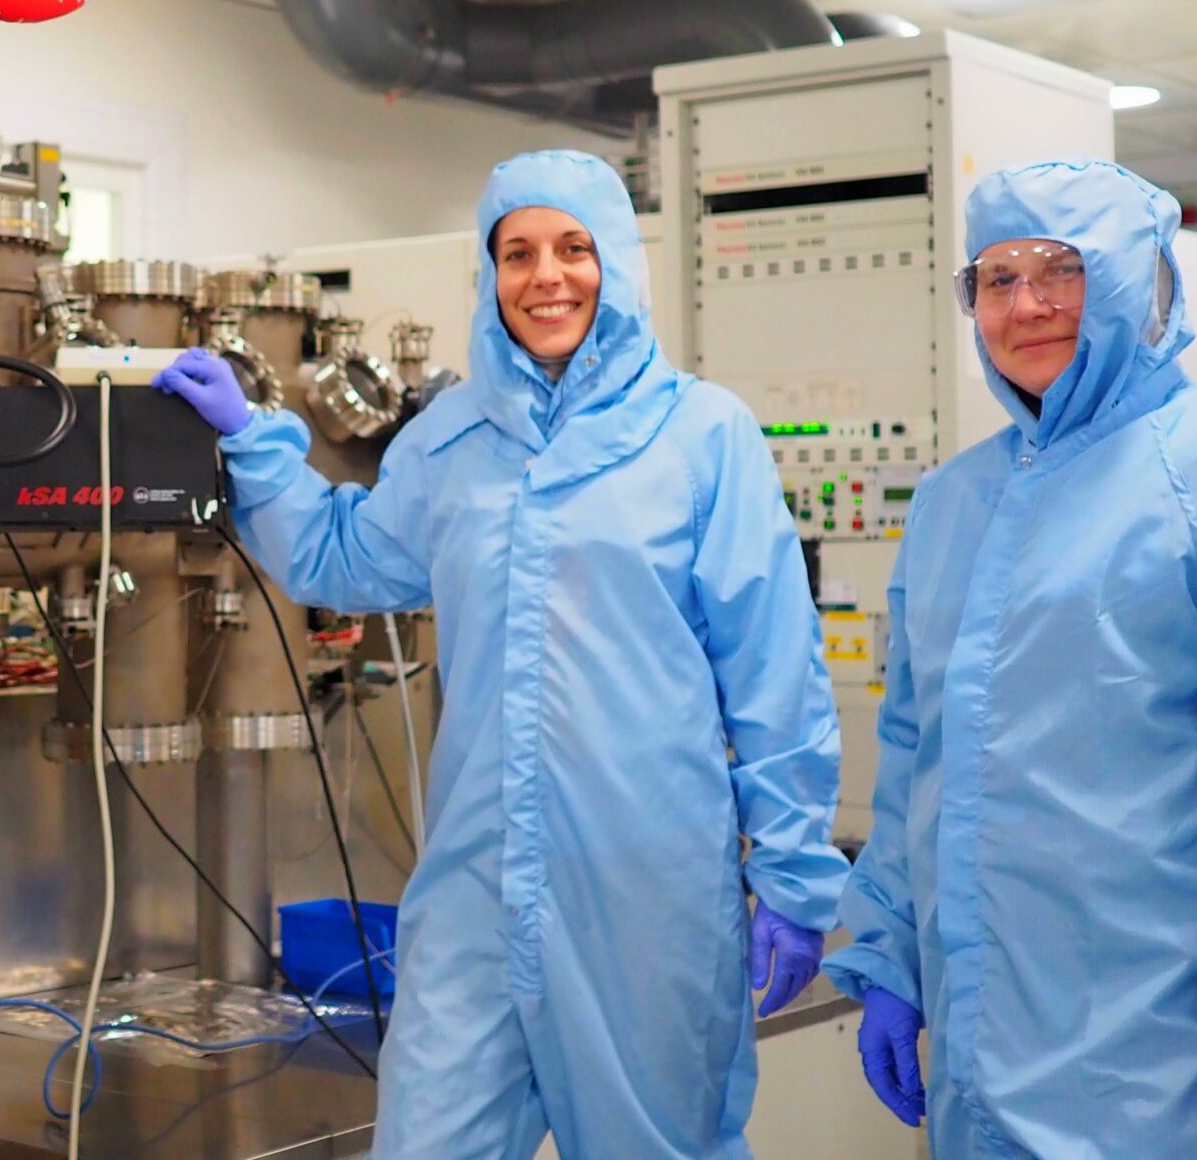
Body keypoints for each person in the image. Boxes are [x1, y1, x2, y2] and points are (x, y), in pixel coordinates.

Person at [156, 149, 848, 1159]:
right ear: (490, 277)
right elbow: (345, 557)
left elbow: (773, 671)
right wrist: (255, 439)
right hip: (477, 886)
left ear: (615, 261)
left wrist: (791, 870)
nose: (546, 276)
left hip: (643, 891)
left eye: (573, 248)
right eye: (516, 252)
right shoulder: (452, 439)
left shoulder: (703, 437)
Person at [823, 160, 1197, 1159]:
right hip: (978, 1059)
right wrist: (888, 951)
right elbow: (919, 753)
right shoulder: (958, 500)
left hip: (1156, 1062)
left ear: (1133, 277)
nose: (1027, 303)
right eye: (994, 278)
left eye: (1061, 269)